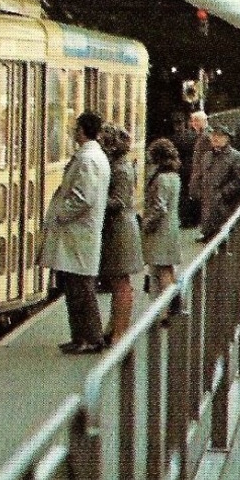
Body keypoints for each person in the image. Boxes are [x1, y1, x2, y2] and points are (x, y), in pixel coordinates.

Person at [39, 111, 110, 355]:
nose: (73, 131)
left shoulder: (88, 159)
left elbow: (84, 198)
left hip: (78, 235)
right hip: (78, 235)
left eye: (76, 128)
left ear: (82, 131)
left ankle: (89, 338)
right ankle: (82, 337)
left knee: (80, 289)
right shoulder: (91, 156)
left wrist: (60, 214)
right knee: (75, 287)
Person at [97, 124, 144, 347]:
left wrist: (95, 200)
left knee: (121, 283)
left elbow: (120, 201)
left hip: (121, 230)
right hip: (118, 229)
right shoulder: (119, 165)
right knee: (118, 281)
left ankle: (120, 333)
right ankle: (114, 327)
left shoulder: (121, 169)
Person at [141, 137, 184, 308]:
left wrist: (146, 224)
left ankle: (166, 311)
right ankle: (173, 306)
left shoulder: (161, 179)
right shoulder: (174, 176)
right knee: (168, 268)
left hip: (161, 231)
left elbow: (160, 208)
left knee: (161, 269)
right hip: (171, 226)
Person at [198, 122, 240, 241]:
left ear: (227, 138)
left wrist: (224, 192)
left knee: (225, 235)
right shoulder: (207, 156)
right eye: (213, 135)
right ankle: (207, 233)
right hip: (209, 201)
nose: (215, 138)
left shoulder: (236, 156)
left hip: (226, 203)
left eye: (220, 136)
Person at [181, 109, 210, 229]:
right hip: (198, 170)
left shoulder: (207, 136)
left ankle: (197, 222)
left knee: (199, 196)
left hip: (202, 171)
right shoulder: (201, 135)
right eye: (192, 121)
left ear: (203, 121)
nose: (193, 124)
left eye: (196, 121)